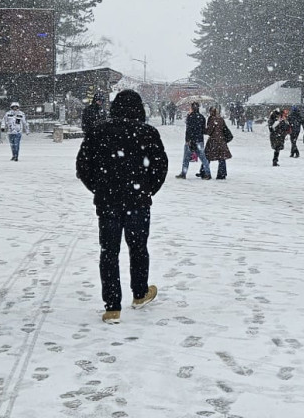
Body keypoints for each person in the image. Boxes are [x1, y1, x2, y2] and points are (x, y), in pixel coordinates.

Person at [76, 90, 168, 324]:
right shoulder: (147, 133)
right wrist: (147, 190)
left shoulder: (99, 132)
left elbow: (83, 166)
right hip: (138, 201)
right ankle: (139, 293)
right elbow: (160, 167)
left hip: (108, 200)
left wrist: (99, 188)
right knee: (138, 247)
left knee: (109, 251)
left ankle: (112, 306)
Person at [178, 102, 212, 180]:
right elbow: (203, 129)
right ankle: (208, 173)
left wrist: (187, 140)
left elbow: (188, 130)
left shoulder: (190, 117)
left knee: (186, 158)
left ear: (192, 108)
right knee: (203, 158)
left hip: (190, 140)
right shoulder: (202, 117)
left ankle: (183, 173)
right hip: (199, 140)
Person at [204, 105, 234, 179]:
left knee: (207, 156)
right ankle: (222, 174)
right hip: (221, 141)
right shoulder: (220, 119)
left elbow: (209, 131)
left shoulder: (211, 119)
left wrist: (203, 130)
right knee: (222, 158)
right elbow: (224, 129)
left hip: (213, 141)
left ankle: (204, 172)